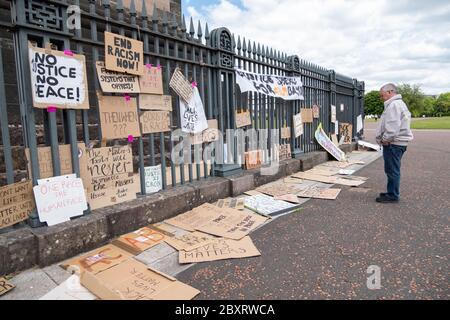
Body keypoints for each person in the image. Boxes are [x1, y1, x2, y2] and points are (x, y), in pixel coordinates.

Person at [375, 83, 414, 203]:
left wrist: (384, 139)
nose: (382, 98)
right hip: (397, 143)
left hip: (393, 143)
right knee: (392, 169)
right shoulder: (398, 104)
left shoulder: (394, 105)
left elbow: (392, 127)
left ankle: (392, 195)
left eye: (383, 95)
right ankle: (391, 192)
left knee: (392, 170)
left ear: (390, 92)